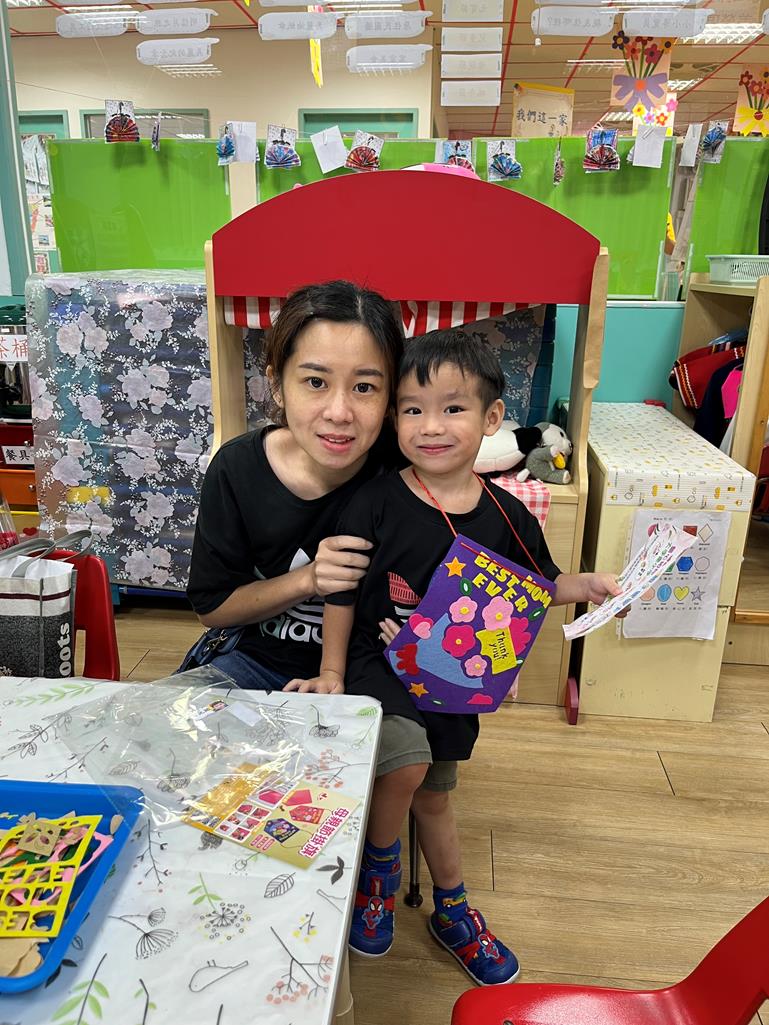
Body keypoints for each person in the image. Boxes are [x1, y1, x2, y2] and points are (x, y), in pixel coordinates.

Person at [288, 330, 624, 984]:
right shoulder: (374, 500)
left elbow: (539, 586)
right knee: (407, 762)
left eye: (452, 408)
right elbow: (341, 591)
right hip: (377, 667)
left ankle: (453, 909)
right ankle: (378, 878)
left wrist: (584, 585)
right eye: (412, 409)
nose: (431, 426)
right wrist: (331, 671)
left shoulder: (508, 514)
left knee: (436, 798)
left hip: (450, 682)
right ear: (394, 419)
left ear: (491, 418)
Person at [186, 279, 403, 690]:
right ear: (277, 385)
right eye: (316, 382)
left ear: (390, 396)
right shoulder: (237, 469)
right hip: (254, 662)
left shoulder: (402, 472)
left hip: (371, 670)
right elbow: (212, 608)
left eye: (364, 387)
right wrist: (310, 579)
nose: (339, 412)